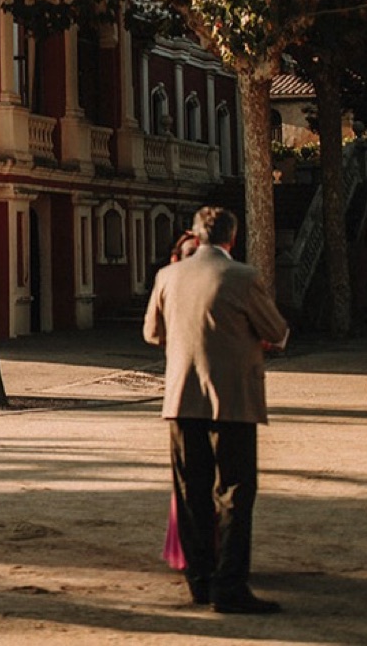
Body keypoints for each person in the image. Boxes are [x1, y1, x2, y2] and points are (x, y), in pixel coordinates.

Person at [145, 205, 290, 615]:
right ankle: (230, 586)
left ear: (196, 234)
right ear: (232, 237)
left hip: (181, 398)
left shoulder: (167, 276)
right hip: (233, 401)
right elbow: (277, 332)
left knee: (192, 491)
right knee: (234, 493)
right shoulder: (243, 277)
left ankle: (200, 582)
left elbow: (151, 332)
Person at [159, 231, 201, 575]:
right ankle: (188, 555)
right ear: (176, 257)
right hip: (183, 396)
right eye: (187, 252)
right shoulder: (170, 284)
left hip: (200, 395)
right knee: (188, 482)